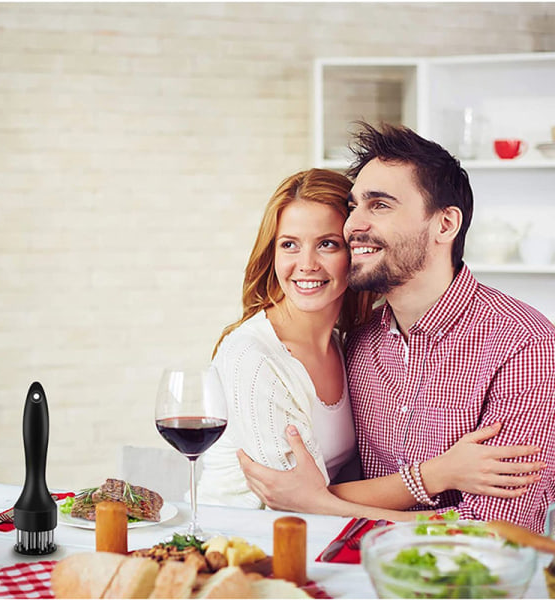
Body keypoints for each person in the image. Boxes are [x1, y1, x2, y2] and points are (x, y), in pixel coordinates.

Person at [238, 123, 555, 532]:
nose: (352, 225)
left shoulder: (526, 346)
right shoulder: (359, 338)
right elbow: (336, 479)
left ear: (445, 225)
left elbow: (497, 533)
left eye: (380, 205)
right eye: (354, 206)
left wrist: (315, 502)